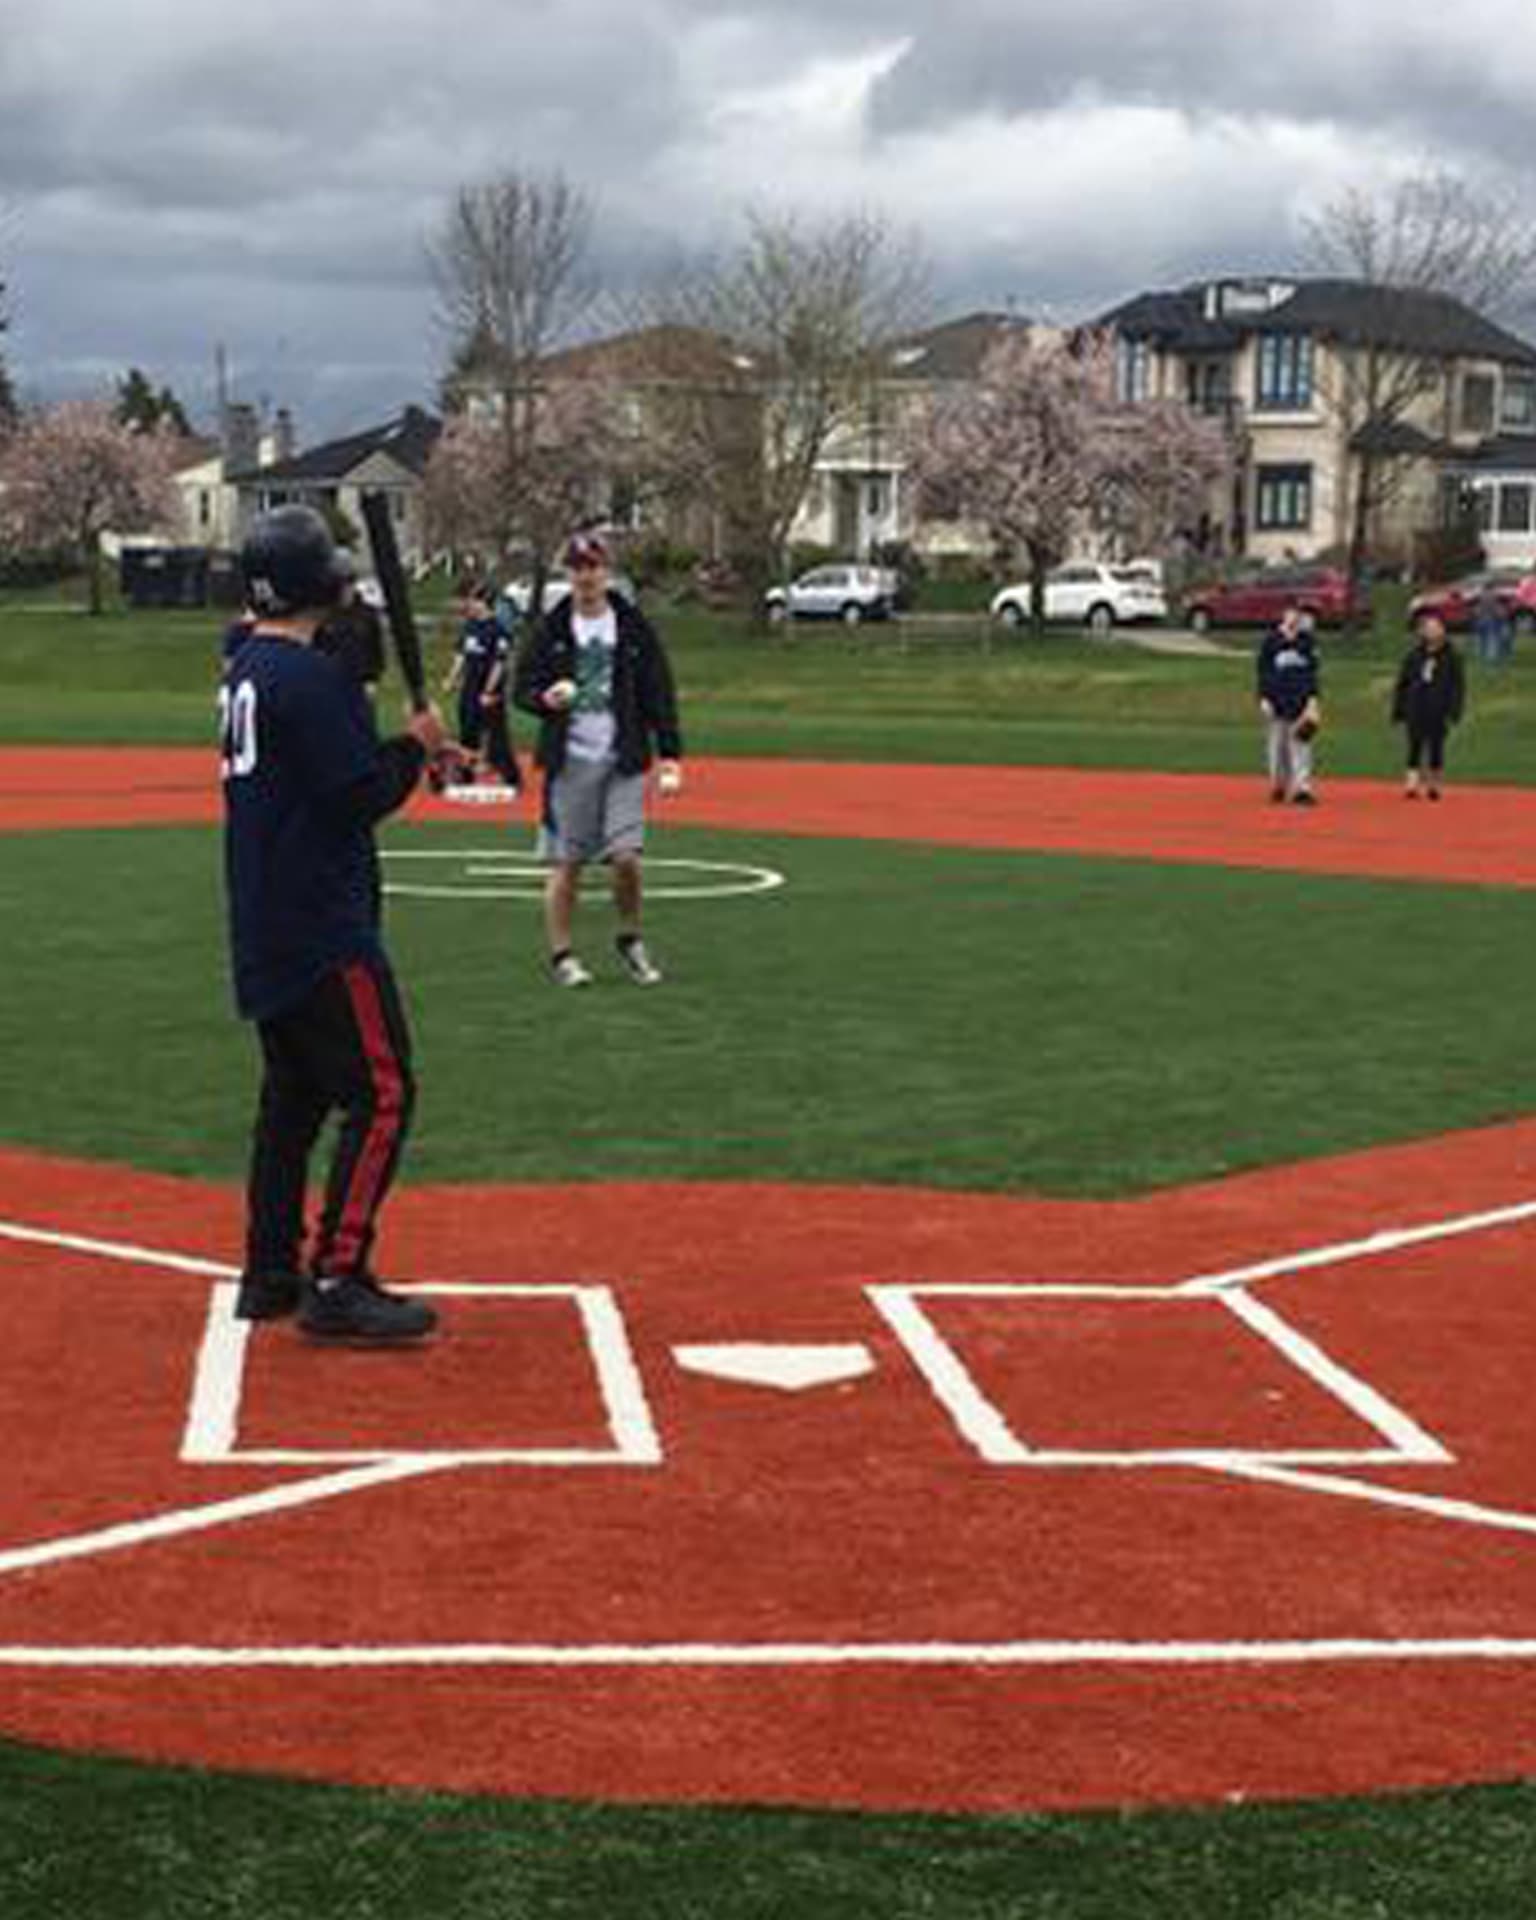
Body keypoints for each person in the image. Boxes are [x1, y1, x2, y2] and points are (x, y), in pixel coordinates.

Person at [220, 504, 460, 1343]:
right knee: (383, 1091)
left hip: (267, 919)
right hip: (323, 923)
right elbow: (357, 795)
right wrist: (415, 746)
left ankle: (270, 1268)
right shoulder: (308, 683)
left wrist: (393, 738)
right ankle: (338, 1274)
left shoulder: (248, 664)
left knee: (293, 1097)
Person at [513, 531, 683, 987]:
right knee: (567, 863)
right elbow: (522, 688)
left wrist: (670, 754)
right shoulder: (551, 629)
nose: (586, 575)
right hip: (569, 761)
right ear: (568, 574)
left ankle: (630, 938)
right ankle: (562, 954)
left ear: (607, 571)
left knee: (627, 857)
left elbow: (658, 690)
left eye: (593, 566)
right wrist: (545, 699)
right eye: (577, 567)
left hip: (622, 758)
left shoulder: (631, 626)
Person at [441, 578, 520, 788]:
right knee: (467, 729)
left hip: (490, 689)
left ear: (485, 603)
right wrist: (451, 678)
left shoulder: (498, 630)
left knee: (495, 734)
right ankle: (465, 774)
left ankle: (510, 776)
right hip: (470, 686)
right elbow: (461, 655)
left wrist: (488, 690)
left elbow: (499, 663)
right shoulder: (471, 626)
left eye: (475, 601)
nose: (470, 605)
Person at [1392, 610, 1466, 800]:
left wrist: (1454, 710)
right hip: (1416, 705)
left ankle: (1434, 784)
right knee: (1414, 745)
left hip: (1438, 707)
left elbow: (1457, 685)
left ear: (1443, 631)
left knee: (1436, 746)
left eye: (1436, 628)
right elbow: (1403, 682)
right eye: (1428, 629)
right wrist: (1398, 709)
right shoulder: (1414, 655)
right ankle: (1412, 783)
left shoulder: (1451, 656)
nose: (1432, 632)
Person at [1256, 601, 1322, 806]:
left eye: (1298, 615)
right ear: (1284, 615)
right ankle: (1278, 784)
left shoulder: (1307, 642)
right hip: (1277, 701)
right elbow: (1262, 672)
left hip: (1300, 701)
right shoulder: (1271, 641)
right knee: (1277, 747)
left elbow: (1313, 674)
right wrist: (1263, 698)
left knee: (1301, 744)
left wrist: (1313, 701)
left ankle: (1302, 787)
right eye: (1291, 613)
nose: (1295, 618)